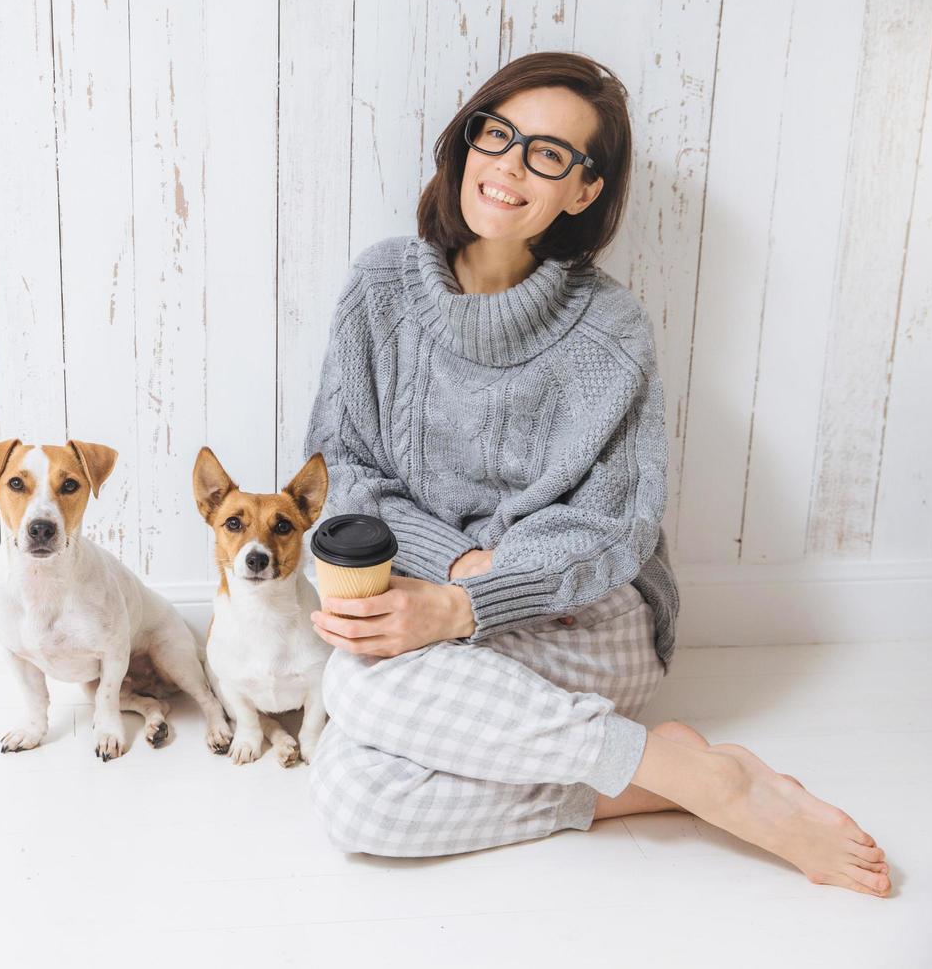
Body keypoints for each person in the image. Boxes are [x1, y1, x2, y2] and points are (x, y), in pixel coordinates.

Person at [301, 51, 890, 898]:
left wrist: (473, 599)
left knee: (364, 698)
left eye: (548, 153)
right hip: (436, 597)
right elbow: (344, 471)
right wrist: (449, 575)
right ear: (466, 142)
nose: (509, 165)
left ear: (583, 190)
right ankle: (676, 774)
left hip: (586, 613)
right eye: (496, 134)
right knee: (359, 805)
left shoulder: (609, 333)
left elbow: (610, 528)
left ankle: (715, 786)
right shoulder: (380, 290)